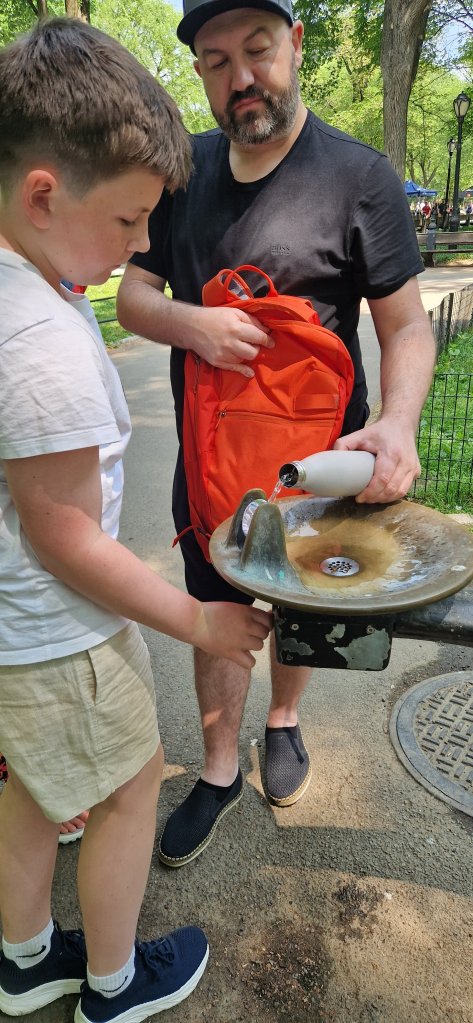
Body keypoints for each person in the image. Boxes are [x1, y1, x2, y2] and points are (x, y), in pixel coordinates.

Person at [117, 0, 436, 870]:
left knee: (300, 606)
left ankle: (284, 720)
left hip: (320, 469)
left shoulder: (359, 176)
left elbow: (406, 325)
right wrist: (192, 324)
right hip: (210, 462)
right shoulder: (181, 170)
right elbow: (132, 296)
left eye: (257, 51)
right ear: (199, 73)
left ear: (294, 44)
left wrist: (397, 423)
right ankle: (219, 768)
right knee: (216, 609)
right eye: (216, 62)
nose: (241, 79)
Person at [0, 17, 272, 1023]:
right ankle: (112, 985)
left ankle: (25, 959)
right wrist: (196, 619)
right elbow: (63, 537)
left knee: (36, 787)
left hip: (22, 633)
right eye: (128, 219)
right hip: (60, 633)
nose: (144, 244)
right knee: (128, 786)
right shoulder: (42, 340)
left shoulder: (28, 278)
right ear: (43, 194)